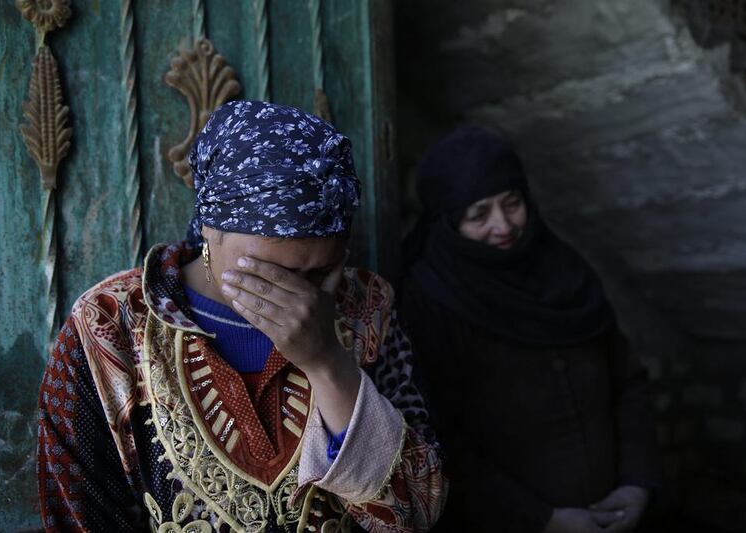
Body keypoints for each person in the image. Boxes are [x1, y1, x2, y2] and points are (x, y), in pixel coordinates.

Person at [37, 100, 446, 532]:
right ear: (211, 230)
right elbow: (77, 515)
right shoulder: (109, 328)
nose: (301, 296)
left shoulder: (367, 307)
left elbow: (416, 513)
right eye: (274, 272)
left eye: (322, 271)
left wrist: (327, 362)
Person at [398, 128, 660, 533]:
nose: (503, 226)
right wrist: (544, 520)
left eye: (512, 203)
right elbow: (437, 437)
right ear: (447, 220)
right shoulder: (430, 301)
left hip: (614, 513)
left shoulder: (566, 273)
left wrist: (636, 484)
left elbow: (628, 383)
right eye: (478, 215)